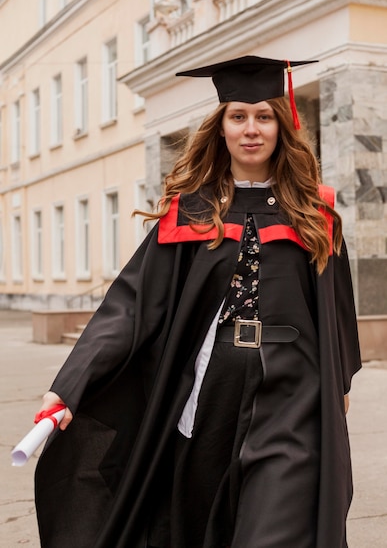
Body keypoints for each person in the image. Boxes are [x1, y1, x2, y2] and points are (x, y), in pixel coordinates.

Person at [35, 56, 361, 548]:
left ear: (281, 125)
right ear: (222, 128)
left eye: (264, 116)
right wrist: (70, 386)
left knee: (275, 527)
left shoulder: (316, 215)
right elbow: (129, 307)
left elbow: (337, 312)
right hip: (207, 394)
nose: (251, 129)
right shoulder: (190, 213)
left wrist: (338, 387)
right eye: (238, 116)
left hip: (293, 396)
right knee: (200, 524)